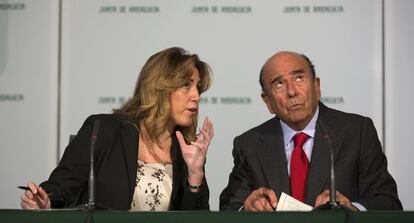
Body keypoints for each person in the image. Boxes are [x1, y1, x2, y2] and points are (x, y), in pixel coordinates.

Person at [20, 47, 214, 211]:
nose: (196, 95)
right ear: (159, 88)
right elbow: (62, 187)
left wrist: (195, 175)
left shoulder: (187, 151)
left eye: (198, 87)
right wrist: (45, 201)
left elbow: (195, 217)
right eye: (186, 85)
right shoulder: (104, 130)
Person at [220, 51, 402, 211]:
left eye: (299, 78)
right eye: (279, 84)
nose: (292, 91)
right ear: (267, 101)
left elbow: (388, 202)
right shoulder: (250, 144)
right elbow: (230, 206)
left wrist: (352, 208)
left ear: (316, 86)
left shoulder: (357, 132)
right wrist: (248, 208)